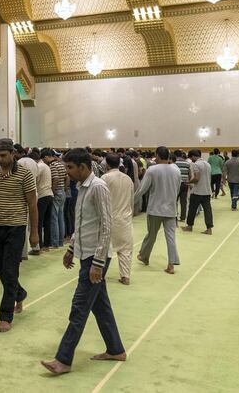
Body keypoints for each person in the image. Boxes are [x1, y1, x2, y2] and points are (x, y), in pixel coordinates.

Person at [41, 148, 125, 375]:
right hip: (85, 253)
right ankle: (116, 349)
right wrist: (71, 249)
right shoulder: (81, 188)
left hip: (94, 258)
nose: (66, 172)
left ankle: (63, 359)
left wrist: (98, 263)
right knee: (101, 306)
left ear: (83, 167)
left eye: (69, 167)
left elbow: (107, 226)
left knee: (79, 308)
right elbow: (83, 224)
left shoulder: (98, 188)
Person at [0, 138, 38, 332]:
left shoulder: (25, 174)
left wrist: (34, 232)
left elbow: (32, 204)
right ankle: (19, 293)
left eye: (3, 155)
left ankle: (6, 316)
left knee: (10, 270)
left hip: (16, 227)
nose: (0, 159)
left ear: (13, 154)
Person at [136, 147, 182, 274]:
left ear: (157, 155)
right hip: (171, 209)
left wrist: (132, 201)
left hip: (155, 209)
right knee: (171, 237)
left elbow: (142, 189)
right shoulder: (176, 169)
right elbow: (177, 188)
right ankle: (171, 265)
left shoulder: (152, 169)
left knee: (151, 235)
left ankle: (144, 256)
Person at [103, 153, 134, 285]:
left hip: (109, 218)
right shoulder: (128, 179)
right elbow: (131, 200)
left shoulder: (105, 178)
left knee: (104, 249)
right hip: (125, 218)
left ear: (107, 164)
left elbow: (101, 199)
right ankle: (125, 276)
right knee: (125, 249)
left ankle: (100, 274)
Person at [184, 149, 213, 235]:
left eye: (190, 157)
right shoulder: (208, 164)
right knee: (208, 210)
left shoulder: (196, 164)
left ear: (193, 156)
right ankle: (209, 228)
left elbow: (197, 178)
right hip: (207, 191)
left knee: (192, 209)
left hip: (197, 191)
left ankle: (189, 226)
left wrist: (189, 182)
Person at [45, 149, 67, 249]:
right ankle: (60, 241)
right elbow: (67, 177)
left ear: (47, 157)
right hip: (62, 192)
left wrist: (52, 191)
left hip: (57, 192)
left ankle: (54, 243)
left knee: (54, 218)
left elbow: (56, 178)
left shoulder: (53, 165)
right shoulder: (61, 164)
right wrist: (65, 189)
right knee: (60, 217)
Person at [32, 150, 53, 253]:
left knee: (39, 221)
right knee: (47, 221)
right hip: (49, 194)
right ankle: (47, 245)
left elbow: (34, 179)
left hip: (42, 195)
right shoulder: (46, 166)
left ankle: (38, 246)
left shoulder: (39, 166)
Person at [174, 150, 191, 221]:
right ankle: (183, 217)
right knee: (183, 201)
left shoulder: (174, 163)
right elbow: (189, 174)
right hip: (185, 184)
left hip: (176, 184)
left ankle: (174, 216)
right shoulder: (187, 163)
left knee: (175, 200)